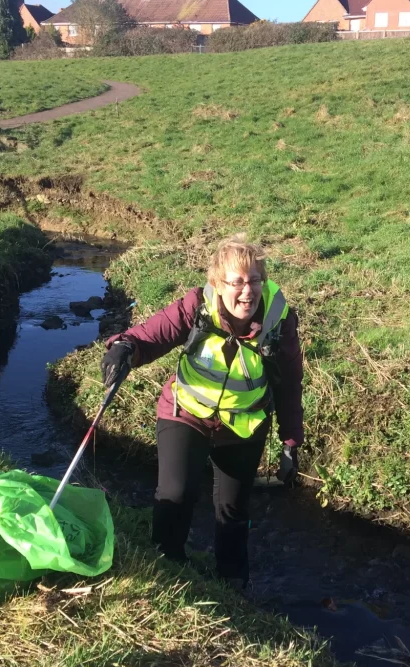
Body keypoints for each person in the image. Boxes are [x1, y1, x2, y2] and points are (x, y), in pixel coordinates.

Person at [100, 236, 304, 589]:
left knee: (233, 510)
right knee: (175, 494)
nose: (247, 292)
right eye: (236, 281)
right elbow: (151, 336)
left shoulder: (278, 320)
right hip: (187, 414)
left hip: (243, 425)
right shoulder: (196, 306)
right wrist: (124, 348)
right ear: (216, 283)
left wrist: (290, 442)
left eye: (254, 280)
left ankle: (233, 584)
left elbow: (289, 383)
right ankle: (167, 568)